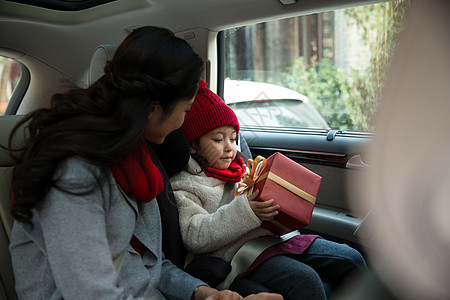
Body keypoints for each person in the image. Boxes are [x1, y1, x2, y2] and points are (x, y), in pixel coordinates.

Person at [7, 26, 281, 300]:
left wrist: (202, 293)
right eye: (185, 110)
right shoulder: (74, 173)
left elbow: (149, 263)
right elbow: (91, 293)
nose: (183, 123)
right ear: (153, 107)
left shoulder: (136, 163)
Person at [170, 79, 369, 300]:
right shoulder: (186, 184)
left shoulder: (245, 168)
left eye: (234, 138)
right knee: (305, 281)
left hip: (278, 240)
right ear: (192, 145)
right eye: (218, 139)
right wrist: (246, 211)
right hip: (240, 252)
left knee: (352, 259)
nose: (231, 147)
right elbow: (195, 237)